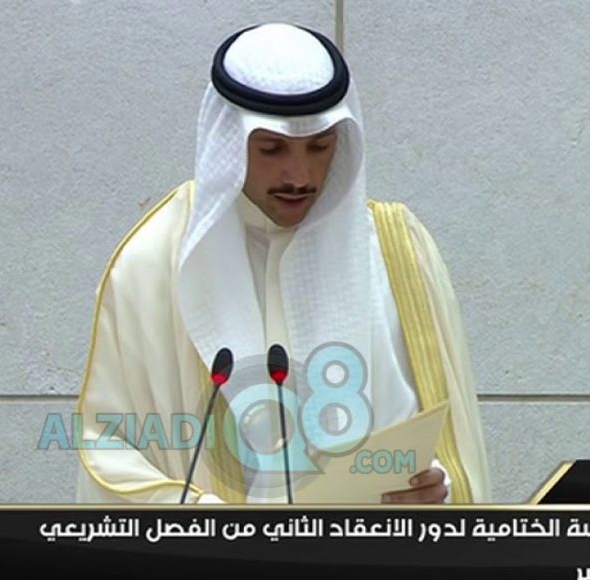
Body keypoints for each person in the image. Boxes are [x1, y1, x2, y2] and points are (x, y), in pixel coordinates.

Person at [74, 22, 490, 504]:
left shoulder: (397, 250)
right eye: (271, 149)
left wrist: (436, 487)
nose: (300, 175)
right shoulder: (154, 263)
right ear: (227, 142)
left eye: (320, 146)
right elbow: (106, 449)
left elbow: (447, 437)